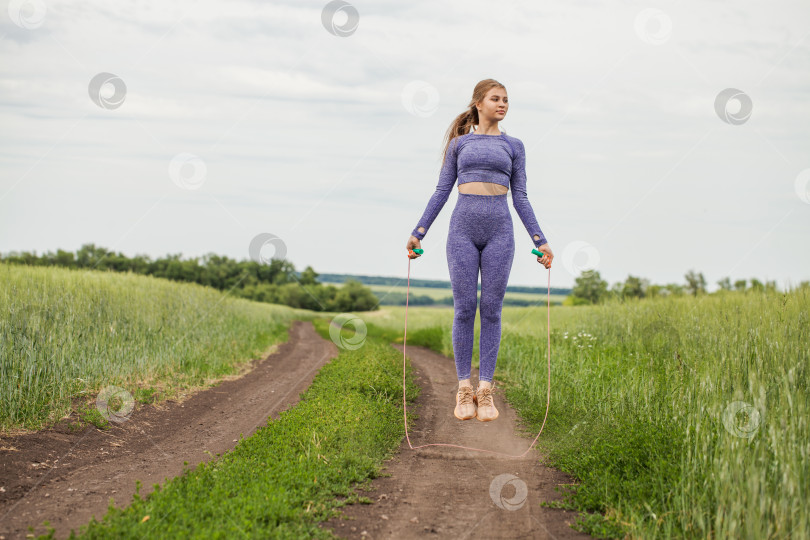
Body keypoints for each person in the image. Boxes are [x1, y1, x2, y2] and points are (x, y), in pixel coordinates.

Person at [405, 79, 554, 422]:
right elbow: (442, 190)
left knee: (491, 309)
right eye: (496, 99)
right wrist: (419, 232)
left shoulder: (514, 145)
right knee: (464, 308)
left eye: (506, 100)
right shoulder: (460, 144)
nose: (502, 104)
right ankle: (463, 388)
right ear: (478, 103)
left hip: (501, 232)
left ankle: (485, 390)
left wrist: (539, 239)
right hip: (462, 232)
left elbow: (521, 197)